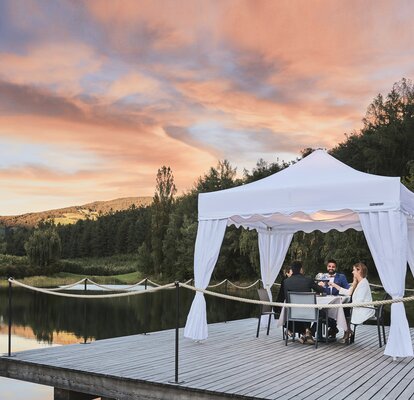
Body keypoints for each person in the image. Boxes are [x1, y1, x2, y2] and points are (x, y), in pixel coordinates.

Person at [328, 262, 375, 343]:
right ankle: (347, 331)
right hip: (357, 306)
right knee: (344, 309)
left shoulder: (364, 283)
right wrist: (334, 285)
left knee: (343, 309)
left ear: (359, 271)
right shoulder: (358, 282)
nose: (352, 272)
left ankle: (345, 330)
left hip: (364, 308)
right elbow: (348, 292)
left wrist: (348, 304)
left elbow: (359, 301)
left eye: (354, 270)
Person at [284, 260, 324, 344]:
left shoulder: (286, 282)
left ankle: (305, 334)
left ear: (292, 269)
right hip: (309, 313)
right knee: (323, 313)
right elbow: (320, 290)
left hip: (293, 313)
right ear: (301, 269)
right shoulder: (308, 280)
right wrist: (321, 285)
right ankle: (309, 333)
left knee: (303, 310)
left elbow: (287, 299)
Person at [318, 259, 350, 338]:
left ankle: (343, 330)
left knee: (345, 308)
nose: (331, 268)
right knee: (320, 312)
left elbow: (347, 289)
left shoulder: (341, 277)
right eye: (329, 266)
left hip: (338, 302)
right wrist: (319, 286)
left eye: (333, 267)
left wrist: (337, 287)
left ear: (335, 268)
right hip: (326, 303)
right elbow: (317, 291)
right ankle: (333, 328)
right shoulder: (322, 277)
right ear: (327, 267)